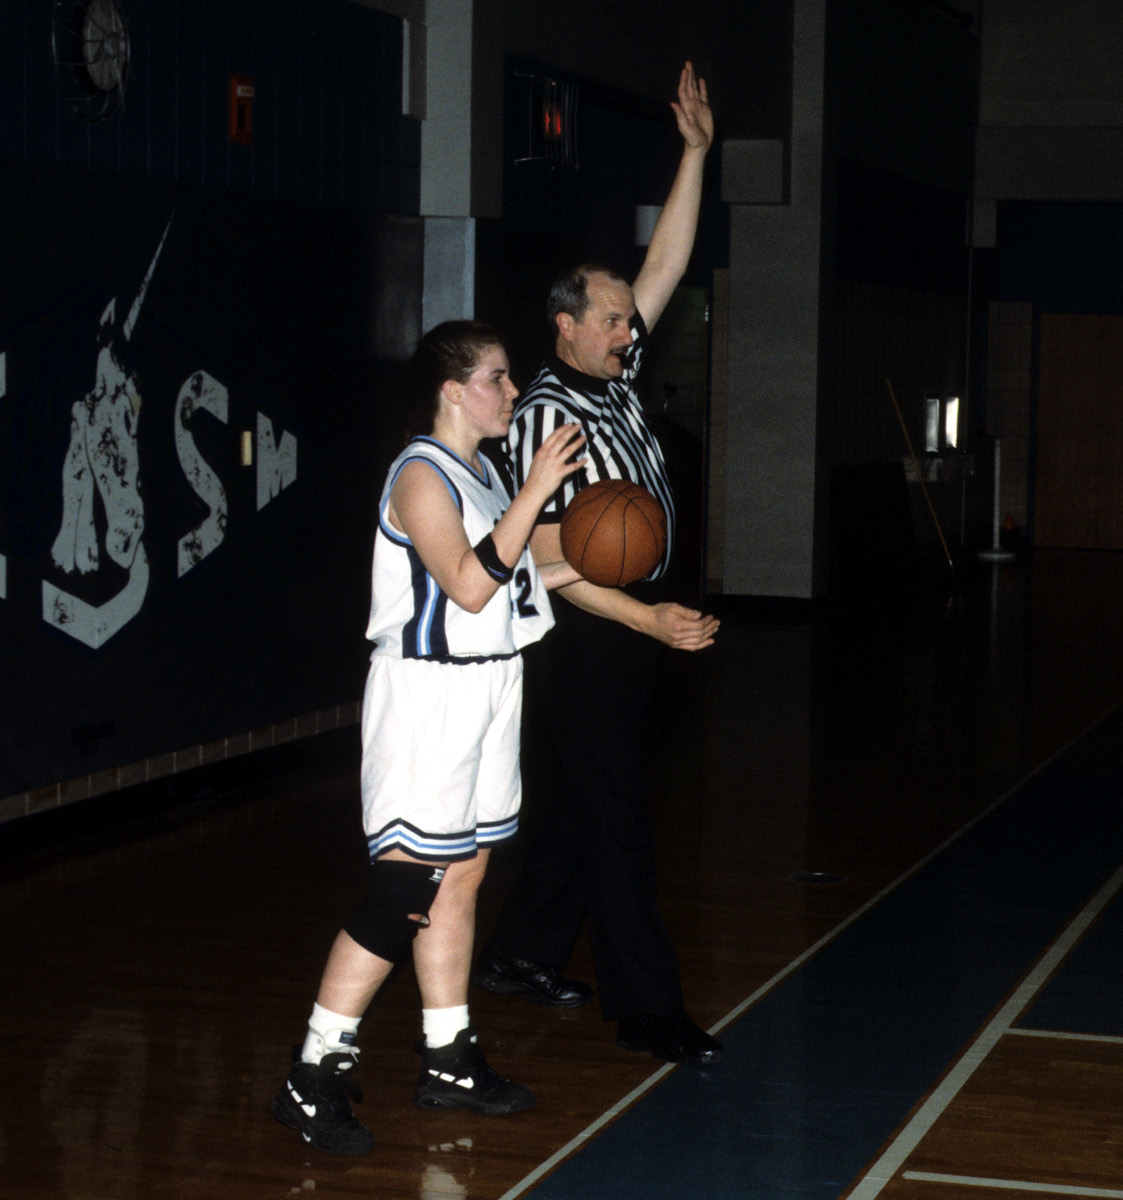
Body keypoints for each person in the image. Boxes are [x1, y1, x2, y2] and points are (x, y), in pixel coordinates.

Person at [271, 321, 587, 1153]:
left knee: (462, 878)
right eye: (498, 378)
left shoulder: (485, 473)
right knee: (405, 889)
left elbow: (513, 582)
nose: (512, 392)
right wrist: (536, 493)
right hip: (428, 696)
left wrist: (593, 563)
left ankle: (447, 1058)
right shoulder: (420, 474)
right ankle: (312, 1073)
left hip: (492, 686)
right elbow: (467, 585)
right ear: (454, 390)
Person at [472, 62, 723, 1064]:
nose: (631, 330)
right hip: (584, 629)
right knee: (620, 819)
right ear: (566, 327)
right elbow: (546, 562)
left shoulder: (613, 377)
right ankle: (647, 1009)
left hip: (630, 615)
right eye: (613, 320)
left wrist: (695, 153)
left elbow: (667, 261)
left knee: (586, 796)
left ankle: (521, 952)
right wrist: (648, 618)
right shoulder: (545, 416)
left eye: (629, 318)